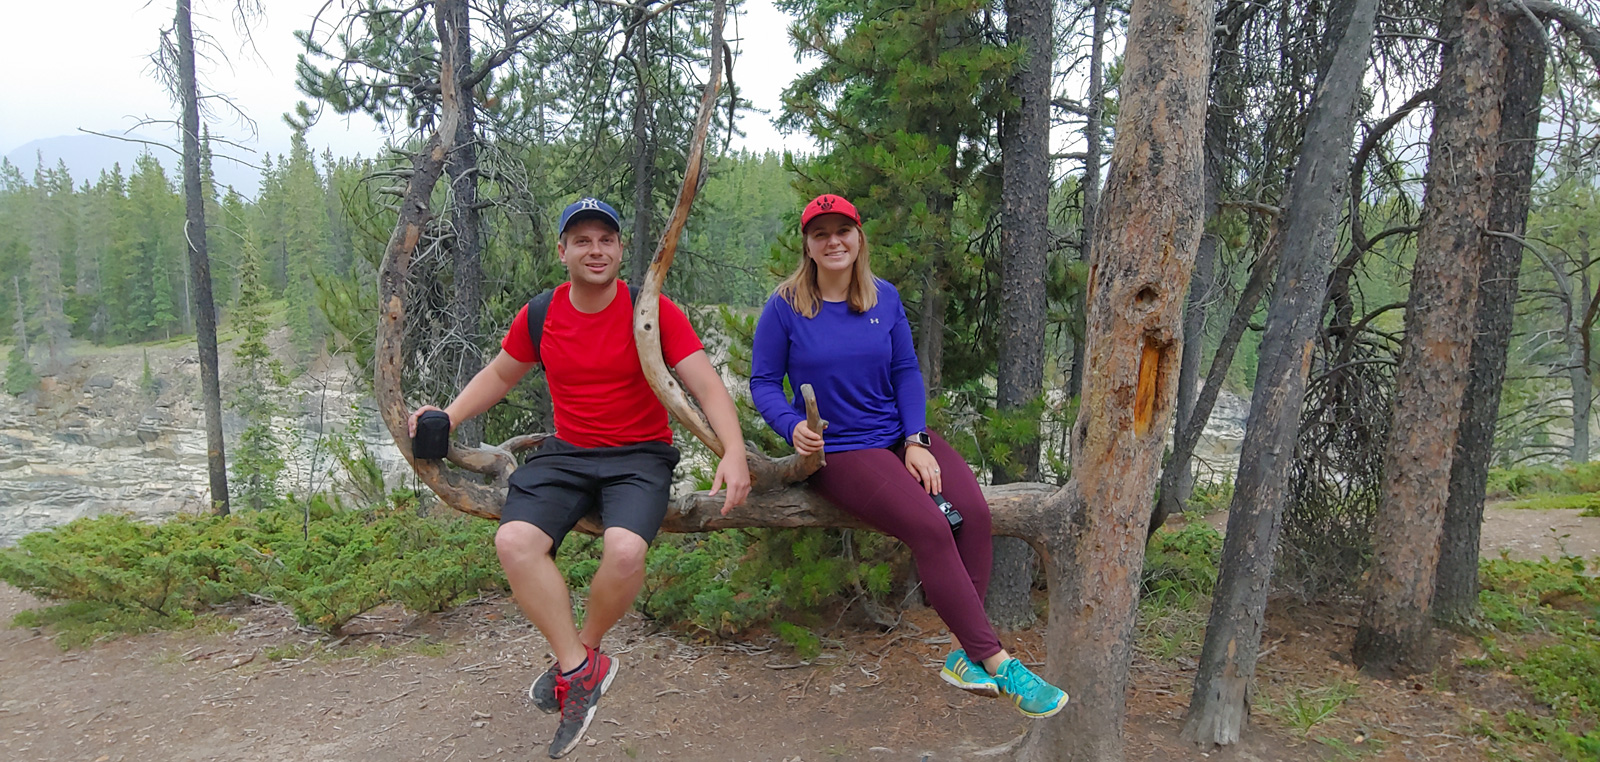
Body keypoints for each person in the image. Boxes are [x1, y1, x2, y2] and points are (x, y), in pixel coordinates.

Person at [410, 198, 751, 758]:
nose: (596, 250)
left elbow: (708, 386)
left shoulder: (653, 312)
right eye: (583, 240)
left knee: (623, 553)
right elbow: (500, 373)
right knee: (514, 541)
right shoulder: (541, 313)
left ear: (620, 249)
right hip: (567, 454)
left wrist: (733, 451)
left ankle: (585, 655)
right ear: (563, 250)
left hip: (640, 456)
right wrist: (448, 416)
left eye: (606, 240)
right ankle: (577, 668)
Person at [749, 193, 1068, 719]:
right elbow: (763, 382)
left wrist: (916, 440)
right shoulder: (785, 307)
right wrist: (792, 427)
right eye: (821, 233)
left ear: (858, 237)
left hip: (898, 438)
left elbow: (905, 373)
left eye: (842, 231)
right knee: (932, 527)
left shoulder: (884, 298)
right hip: (841, 451)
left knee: (976, 514)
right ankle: (998, 662)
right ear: (807, 244)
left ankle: (964, 658)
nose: (833, 242)